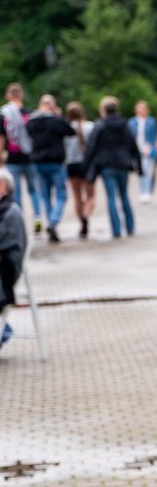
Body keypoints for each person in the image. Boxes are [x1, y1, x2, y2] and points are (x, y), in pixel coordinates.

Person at [82, 96, 141, 238]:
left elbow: (91, 147)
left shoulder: (100, 125)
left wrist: (85, 167)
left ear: (103, 109)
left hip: (106, 165)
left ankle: (116, 230)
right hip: (123, 164)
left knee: (111, 197)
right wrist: (139, 166)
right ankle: (130, 227)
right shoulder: (124, 124)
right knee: (124, 195)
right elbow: (133, 145)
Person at [26, 94, 75, 243]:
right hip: (55, 162)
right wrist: (58, 115)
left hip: (38, 162)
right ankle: (53, 221)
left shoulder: (32, 121)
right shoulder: (55, 120)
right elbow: (70, 131)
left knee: (45, 195)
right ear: (52, 106)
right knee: (61, 194)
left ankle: (50, 223)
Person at [1, 83, 41, 233]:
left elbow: (2, 137)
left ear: (8, 95)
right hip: (29, 156)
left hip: (12, 157)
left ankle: (20, 221)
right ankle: (37, 217)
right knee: (34, 190)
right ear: (22, 96)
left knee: (15, 192)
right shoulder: (29, 114)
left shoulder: (4, 114)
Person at [0, 167, 27, 348]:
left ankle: (3, 331)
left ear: (2, 186)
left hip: (6, 269)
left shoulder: (10, 211)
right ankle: (4, 330)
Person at [64, 102, 96, 238]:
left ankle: (81, 220)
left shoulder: (65, 128)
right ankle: (86, 215)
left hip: (71, 165)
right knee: (91, 195)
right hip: (86, 164)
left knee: (77, 196)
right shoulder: (90, 126)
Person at [128, 100, 157, 203]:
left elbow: (153, 137)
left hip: (147, 149)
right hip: (136, 149)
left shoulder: (151, 122)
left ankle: (147, 192)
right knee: (140, 171)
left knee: (147, 171)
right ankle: (142, 191)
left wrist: (151, 148)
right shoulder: (131, 122)